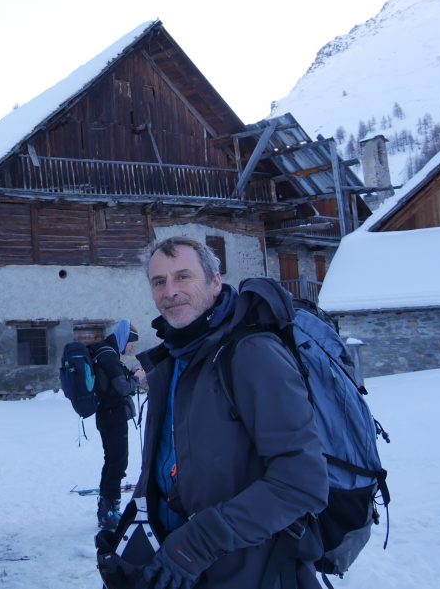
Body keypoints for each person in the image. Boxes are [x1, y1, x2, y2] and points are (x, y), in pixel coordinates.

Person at [129, 236, 329, 589]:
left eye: (183, 276)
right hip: (188, 569)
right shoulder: (175, 359)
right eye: (159, 281)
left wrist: (199, 542)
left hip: (257, 572)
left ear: (215, 281)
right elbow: (168, 464)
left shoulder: (251, 354)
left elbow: (302, 481)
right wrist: (130, 529)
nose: (170, 290)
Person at [89, 319, 142, 530]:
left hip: (106, 414)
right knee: (118, 463)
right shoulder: (109, 356)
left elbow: (111, 384)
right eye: (132, 343)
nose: (132, 348)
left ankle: (106, 509)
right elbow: (122, 388)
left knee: (111, 462)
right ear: (124, 338)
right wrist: (137, 378)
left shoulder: (105, 353)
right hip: (114, 415)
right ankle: (110, 511)